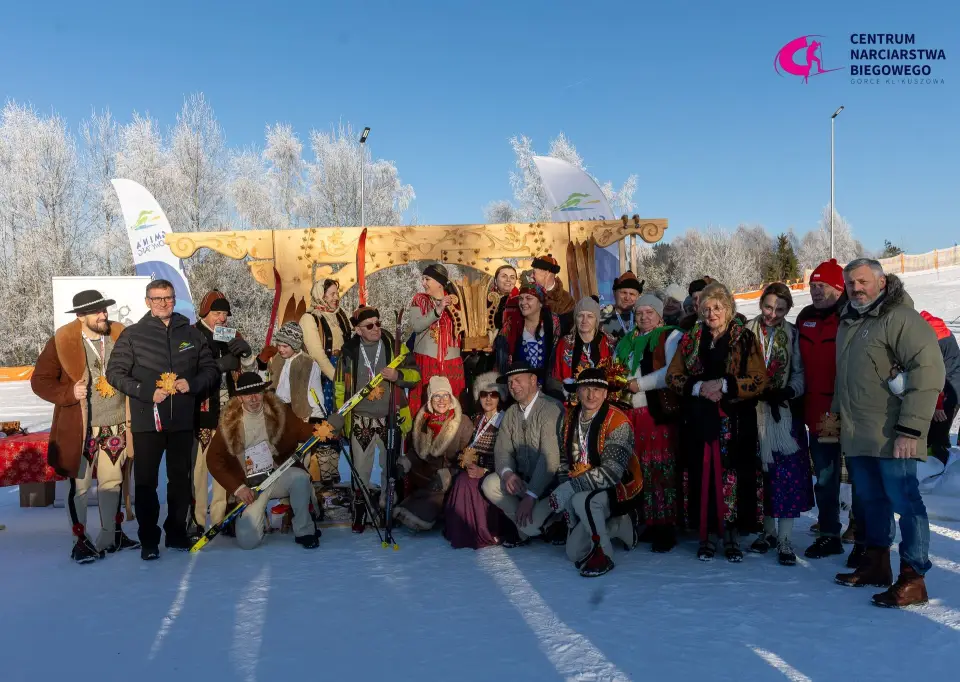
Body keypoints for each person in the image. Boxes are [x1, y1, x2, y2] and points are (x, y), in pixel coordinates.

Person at [833, 259, 945, 608]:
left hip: (895, 434)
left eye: (863, 281)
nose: (856, 288)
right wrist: (835, 419)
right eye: (851, 283)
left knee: (906, 503)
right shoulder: (849, 321)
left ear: (882, 282)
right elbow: (845, 377)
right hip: (859, 433)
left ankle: (913, 578)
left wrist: (911, 429)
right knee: (870, 502)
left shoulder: (901, 318)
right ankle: (876, 564)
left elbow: (929, 370)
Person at [106, 279, 220, 560]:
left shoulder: (192, 334)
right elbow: (115, 373)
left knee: (180, 480)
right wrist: (147, 392)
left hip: (182, 420)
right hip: (148, 422)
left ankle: (177, 532)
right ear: (147, 301)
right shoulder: (133, 335)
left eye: (167, 298)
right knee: (146, 482)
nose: (163, 303)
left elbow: (211, 370)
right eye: (156, 299)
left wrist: (191, 385)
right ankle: (148, 539)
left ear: (174, 298)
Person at [31, 289, 140, 563]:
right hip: (82, 428)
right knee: (79, 486)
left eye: (104, 310)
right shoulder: (62, 342)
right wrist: (68, 394)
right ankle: (80, 540)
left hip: (115, 426)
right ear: (81, 316)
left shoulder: (119, 336)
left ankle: (111, 534)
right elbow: (40, 380)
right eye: (97, 312)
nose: (104, 315)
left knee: (113, 482)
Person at [666, 282, 767, 562]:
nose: (712, 313)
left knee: (733, 477)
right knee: (703, 476)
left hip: (734, 422)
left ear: (729, 309)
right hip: (699, 421)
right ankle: (707, 535)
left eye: (718, 308)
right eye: (707, 308)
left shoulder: (744, 338)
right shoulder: (691, 339)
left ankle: (732, 536)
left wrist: (724, 385)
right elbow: (673, 376)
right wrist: (699, 388)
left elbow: (758, 379)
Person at [205, 373, 323, 550]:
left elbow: (302, 430)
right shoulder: (228, 422)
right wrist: (238, 488)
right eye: (247, 395)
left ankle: (305, 530)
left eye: (257, 393)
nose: (253, 399)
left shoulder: (278, 411)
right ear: (240, 398)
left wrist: (326, 428)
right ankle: (247, 518)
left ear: (264, 392)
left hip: (277, 475)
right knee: (247, 542)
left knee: (300, 478)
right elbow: (213, 459)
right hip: (251, 486)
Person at [330, 305, 420, 532]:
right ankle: (360, 512)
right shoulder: (348, 353)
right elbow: (340, 388)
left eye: (378, 323)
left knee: (390, 470)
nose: (376, 328)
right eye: (369, 325)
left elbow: (415, 376)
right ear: (358, 330)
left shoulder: (394, 347)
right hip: (361, 420)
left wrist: (398, 375)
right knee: (360, 471)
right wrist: (340, 416)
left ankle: (387, 509)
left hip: (390, 418)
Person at [547, 368, 641, 577]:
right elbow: (565, 461)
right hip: (580, 487)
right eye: (586, 388)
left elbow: (612, 472)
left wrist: (569, 489)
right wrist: (567, 502)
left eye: (597, 389)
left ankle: (604, 555)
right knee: (573, 553)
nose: (592, 395)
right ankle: (618, 526)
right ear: (577, 391)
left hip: (616, 488)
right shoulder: (568, 419)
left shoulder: (618, 421)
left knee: (583, 501)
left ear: (606, 393)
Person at [797, 259, 861, 563]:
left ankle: (861, 532)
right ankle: (830, 533)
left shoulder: (853, 316)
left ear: (839, 288)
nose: (815, 291)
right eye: (812, 286)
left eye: (822, 286)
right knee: (825, 475)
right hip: (819, 412)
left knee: (860, 474)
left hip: (851, 410)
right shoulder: (805, 317)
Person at [745, 283, 813, 566]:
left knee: (786, 475)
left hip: (782, 414)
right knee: (763, 474)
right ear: (761, 304)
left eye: (780, 309)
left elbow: (799, 374)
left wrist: (788, 391)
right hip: (752, 411)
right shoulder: (746, 331)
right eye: (768, 307)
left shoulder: (793, 335)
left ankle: (785, 538)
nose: (772, 314)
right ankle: (768, 531)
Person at [616, 293, 683, 552]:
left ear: (660, 315)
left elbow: (672, 372)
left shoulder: (670, 336)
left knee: (660, 467)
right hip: (631, 412)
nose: (643, 317)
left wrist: (638, 385)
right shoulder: (627, 341)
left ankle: (666, 524)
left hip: (656, 412)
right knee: (640, 468)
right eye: (639, 313)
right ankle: (649, 520)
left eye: (649, 312)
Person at [191, 290, 256, 533]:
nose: (222, 319)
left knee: (223, 465)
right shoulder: (192, 334)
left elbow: (251, 373)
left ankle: (220, 518)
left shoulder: (231, 335)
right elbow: (187, 371)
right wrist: (218, 366)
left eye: (225, 314)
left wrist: (247, 355)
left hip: (229, 411)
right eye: (217, 313)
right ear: (205, 313)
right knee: (199, 470)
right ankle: (197, 521)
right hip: (202, 410)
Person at [481, 361, 563, 546]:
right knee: (490, 483)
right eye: (510, 383)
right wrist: (508, 473)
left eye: (518, 380)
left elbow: (550, 459)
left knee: (531, 526)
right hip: (523, 483)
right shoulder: (511, 412)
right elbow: (502, 449)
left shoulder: (551, 408)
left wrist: (531, 495)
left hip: (550, 488)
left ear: (533, 380)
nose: (513, 386)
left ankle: (551, 521)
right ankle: (525, 525)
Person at [393, 376, 473, 531]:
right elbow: (417, 452)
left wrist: (448, 474)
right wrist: (406, 462)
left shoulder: (463, 422)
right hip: (425, 478)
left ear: (451, 398)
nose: (441, 400)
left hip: (449, 480)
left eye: (445, 395)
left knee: (420, 511)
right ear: (430, 399)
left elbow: (468, 458)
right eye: (437, 395)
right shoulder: (423, 419)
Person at [443, 372, 510, 549]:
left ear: (500, 397)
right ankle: (461, 530)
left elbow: (507, 454)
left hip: (496, 469)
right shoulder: (476, 419)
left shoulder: (505, 420)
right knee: (461, 480)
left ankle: (488, 530)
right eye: (483, 394)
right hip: (473, 467)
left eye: (493, 394)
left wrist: (485, 470)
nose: (488, 399)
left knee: (469, 483)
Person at [408, 263, 466, 418]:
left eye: (427, 279)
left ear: (439, 282)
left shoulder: (457, 301)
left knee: (451, 408)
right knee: (424, 406)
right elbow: (416, 325)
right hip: (426, 362)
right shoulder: (419, 299)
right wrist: (437, 310)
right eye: (423, 279)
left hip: (451, 364)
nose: (423, 283)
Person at [493, 272, 562, 379]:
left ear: (540, 303)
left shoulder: (553, 322)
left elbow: (557, 357)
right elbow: (502, 361)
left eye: (529, 298)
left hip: (548, 386)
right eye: (521, 298)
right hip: (519, 387)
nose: (523, 302)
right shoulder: (511, 325)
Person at [300, 279, 351, 415]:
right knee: (328, 416)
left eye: (337, 293)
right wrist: (335, 377)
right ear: (321, 295)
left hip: (344, 369)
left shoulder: (339, 315)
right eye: (332, 294)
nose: (336, 297)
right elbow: (317, 354)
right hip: (324, 375)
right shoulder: (309, 318)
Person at [551, 296, 615, 400]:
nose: (584, 320)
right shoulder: (565, 343)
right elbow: (555, 377)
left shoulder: (609, 342)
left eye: (590, 316)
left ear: (596, 319)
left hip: (602, 398)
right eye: (580, 316)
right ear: (575, 318)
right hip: (571, 399)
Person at [919, 310, 960, 466]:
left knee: (937, 432)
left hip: (948, 390)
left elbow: (936, 374)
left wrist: (938, 404)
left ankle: (937, 467)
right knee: (941, 430)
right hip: (954, 386)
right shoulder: (940, 330)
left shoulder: (933, 341)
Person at [265, 322, 325, 422]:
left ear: (295, 345)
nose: (280, 349)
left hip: (297, 416)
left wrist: (317, 417)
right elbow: (267, 381)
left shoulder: (308, 364)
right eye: (278, 345)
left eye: (285, 346)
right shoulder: (276, 359)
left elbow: (315, 392)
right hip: (275, 413)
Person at [532, 254, 576, 333]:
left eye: (534, 272)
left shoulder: (566, 300)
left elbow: (567, 330)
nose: (532, 276)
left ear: (546, 273)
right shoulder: (529, 294)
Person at [601, 271, 644, 342]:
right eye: (624, 293)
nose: (627, 298)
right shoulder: (601, 317)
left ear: (637, 296)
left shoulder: (643, 318)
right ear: (614, 293)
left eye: (632, 294)